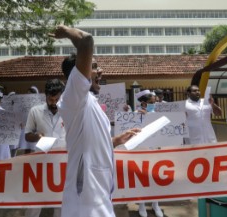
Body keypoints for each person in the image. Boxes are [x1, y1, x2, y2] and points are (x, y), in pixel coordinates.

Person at [49, 25, 140, 217]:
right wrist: (64, 31)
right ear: (77, 74)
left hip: (99, 191)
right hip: (85, 196)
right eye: (94, 66)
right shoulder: (74, 97)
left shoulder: (90, 102)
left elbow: (90, 142)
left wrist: (115, 141)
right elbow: (86, 40)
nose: (100, 70)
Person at [24, 79, 65, 217]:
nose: (53, 103)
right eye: (50, 99)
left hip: (64, 161)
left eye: (57, 99)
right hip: (41, 161)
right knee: (35, 198)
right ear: (45, 96)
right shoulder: (35, 111)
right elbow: (27, 135)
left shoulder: (70, 112)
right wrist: (36, 136)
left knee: (61, 200)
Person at [135, 89, 163, 217]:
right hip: (142, 150)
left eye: (155, 102)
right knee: (142, 178)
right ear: (144, 103)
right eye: (152, 102)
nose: (155, 104)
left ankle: (155, 204)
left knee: (155, 177)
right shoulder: (136, 114)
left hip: (156, 149)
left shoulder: (158, 113)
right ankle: (141, 205)